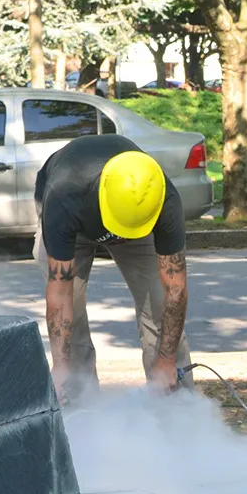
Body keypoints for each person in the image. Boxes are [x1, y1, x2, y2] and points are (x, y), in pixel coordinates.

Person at [33, 133, 193, 406]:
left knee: (158, 306)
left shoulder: (162, 199)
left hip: (140, 219)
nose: (120, 238)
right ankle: (80, 410)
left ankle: (180, 410)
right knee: (73, 314)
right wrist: (60, 367)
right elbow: (60, 296)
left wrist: (166, 361)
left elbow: (175, 290)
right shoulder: (63, 196)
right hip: (76, 220)